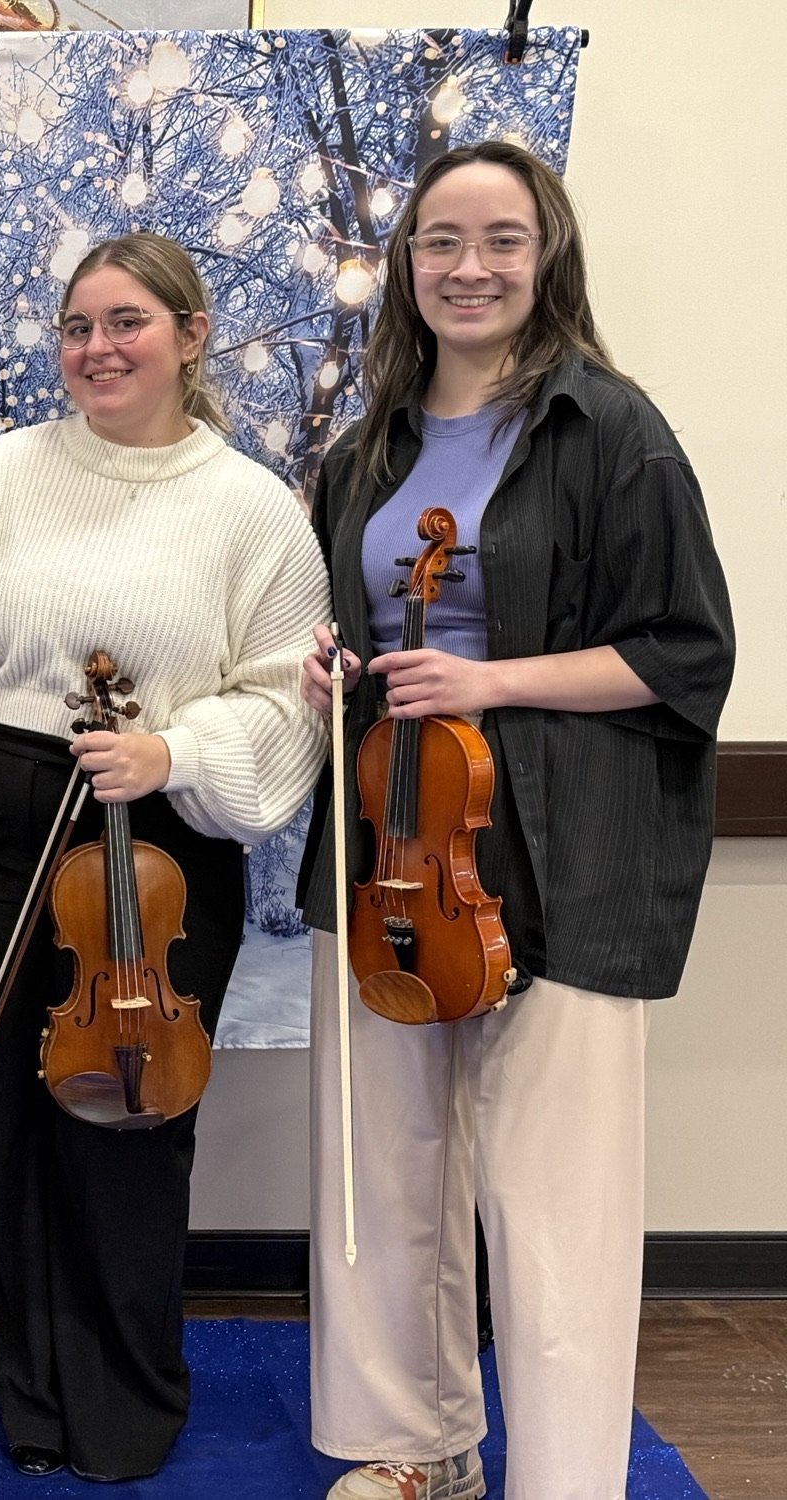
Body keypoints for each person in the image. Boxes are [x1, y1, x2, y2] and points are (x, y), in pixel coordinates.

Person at [296, 141, 734, 1500]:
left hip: (566, 850)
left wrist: (490, 680)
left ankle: (561, 1480)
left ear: (546, 256)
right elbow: (353, 626)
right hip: (393, 848)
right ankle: (412, 1452)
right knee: (386, 1183)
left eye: (499, 240)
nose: (467, 267)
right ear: (406, 266)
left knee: (557, 1212)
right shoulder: (368, 446)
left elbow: (683, 654)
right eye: (440, 241)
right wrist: (330, 670)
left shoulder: (613, 428)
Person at [0, 233, 328, 1481]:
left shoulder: (251, 507)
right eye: (75, 326)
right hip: (5, 826)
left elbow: (290, 698)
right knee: (13, 1118)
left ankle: (127, 1395)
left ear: (188, 333)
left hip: (163, 842)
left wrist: (170, 754)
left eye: (124, 322)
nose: (95, 348)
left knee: (131, 1118)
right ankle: (34, 1397)